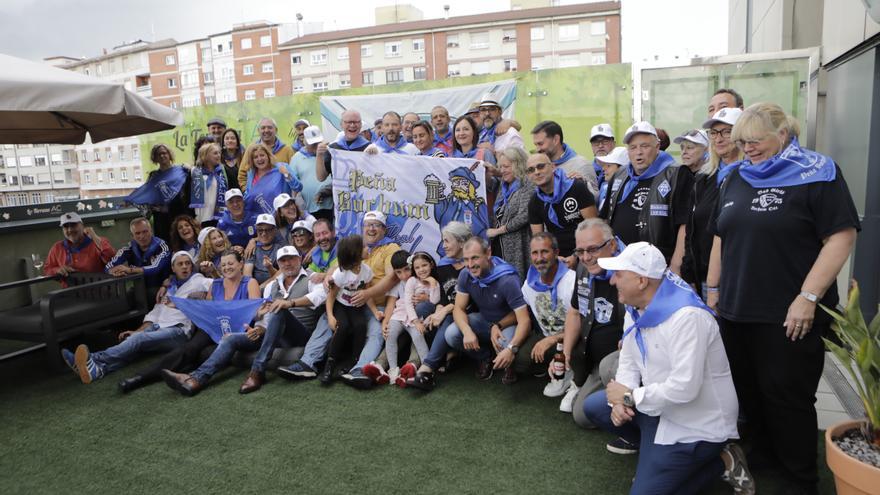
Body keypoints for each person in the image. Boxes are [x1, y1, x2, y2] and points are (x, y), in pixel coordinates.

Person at [707, 102, 860, 494]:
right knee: (748, 390)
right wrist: (712, 289)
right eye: (741, 142)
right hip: (737, 309)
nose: (747, 149)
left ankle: (800, 477)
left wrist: (808, 297)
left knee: (788, 396)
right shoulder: (735, 176)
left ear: (784, 135)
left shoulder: (818, 173)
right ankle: (765, 455)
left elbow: (840, 236)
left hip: (790, 311)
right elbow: (721, 236)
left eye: (755, 141)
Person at [583, 242, 754, 495]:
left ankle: (723, 460)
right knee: (594, 407)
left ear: (642, 281)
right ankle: (657, 460)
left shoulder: (688, 317)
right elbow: (629, 358)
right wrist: (621, 401)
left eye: (619, 275)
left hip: (697, 423)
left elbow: (685, 389)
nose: (612, 281)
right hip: (660, 406)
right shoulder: (636, 304)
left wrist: (630, 396)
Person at [62, 251, 212, 386]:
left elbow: (218, 285)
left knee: (138, 340)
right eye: (180, 264)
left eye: (188, 263)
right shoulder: (170, 286)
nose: (185, 267)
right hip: (158, 326)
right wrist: (137, 331)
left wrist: (207, 288)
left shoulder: (198, 280)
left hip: (179, 331)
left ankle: (94, 358)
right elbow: (155, 313)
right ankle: (99, 370)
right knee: (133, 345)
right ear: (173, 268)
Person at [406, 236, 531, 390]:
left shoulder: (507, 279)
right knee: (452, 334)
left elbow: (524, 319)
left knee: (507, 346)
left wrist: (510, 346)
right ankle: (485, 357)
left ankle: (509, 362)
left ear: (488, 253)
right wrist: (467, 331)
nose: (470, 265)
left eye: (475, 258)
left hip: (507, 324)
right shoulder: (466, 274)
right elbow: (458, 308)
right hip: (483, 320)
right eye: (466, 259)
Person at [160, 250, 263, 396]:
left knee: (228, 338)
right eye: (223, 265)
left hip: (245, 332)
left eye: (230, 263)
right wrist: (179, 304)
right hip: (219, 328)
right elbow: (207, 311)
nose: (226, 267)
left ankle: (195, 378)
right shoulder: (216, 284)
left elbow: (254, 310)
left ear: (241, 264)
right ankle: (152, 375)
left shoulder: (250, 282)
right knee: (192, 346)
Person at [600, 121, 693, 271]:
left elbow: (685, 224)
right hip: (620, 264)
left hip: (657, 267)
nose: (639, 152)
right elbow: (605, 219)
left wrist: (677, 265)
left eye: (645, 146)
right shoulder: (619, 175)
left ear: (657, 147)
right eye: (633, 147)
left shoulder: (676, 174)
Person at [560, 219, 625, 434]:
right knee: (582, 416)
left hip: (625, 361)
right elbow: (574, 311)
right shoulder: (583, 268)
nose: (586, 257)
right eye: (580, 251)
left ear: (613, 245)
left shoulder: (630, 271)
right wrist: (566, 351)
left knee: (610, 367)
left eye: (593, 249)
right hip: (596, 362)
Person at [238, 245, 327, 393]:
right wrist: (259, 325)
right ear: (278, 264)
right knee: (232, 339)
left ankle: (257, 370)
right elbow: (265, 319)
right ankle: (200, 375)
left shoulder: (312, 277)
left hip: (301, 335)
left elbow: (319, 297)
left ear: (299, 259)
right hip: (277, 335)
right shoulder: (272, 285)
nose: (287, 263)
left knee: (280, 310)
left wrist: (290, 303)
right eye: (283, 261)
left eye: (291, 259)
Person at [682, 108, 744, 293]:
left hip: (738, 277)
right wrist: (688, 271)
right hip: (703, 276)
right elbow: (692, 228)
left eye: (727, 132)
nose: (719, 138)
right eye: (714, 133)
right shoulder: (704, 177)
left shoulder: (752, 175)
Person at [337, 211, 401, 388]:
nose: (371, 229)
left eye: (376, 225)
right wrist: (326, 277)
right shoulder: (356, 247)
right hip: (351, 304)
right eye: (368, 225)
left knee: (377, 331)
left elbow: (393, 277)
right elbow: (337, 268)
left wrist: (368, 294)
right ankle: (308, 362)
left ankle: (359, 370)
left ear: (384, 229)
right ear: (362, 228)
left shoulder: (391, 248)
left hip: (377, 306)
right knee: (328, 320)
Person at [275, 219, 339, 379]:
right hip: (329, 298)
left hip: (345, 300)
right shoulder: (316, 253)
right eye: (318, 235)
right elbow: (310, 276)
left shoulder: (341, 247)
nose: (322, 238)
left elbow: (338, 269)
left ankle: (308, 363)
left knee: (328, 315)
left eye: (325, 233)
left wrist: (325, 275)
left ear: (334, 232)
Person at [515, 233, 576, 386]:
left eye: (545, 252)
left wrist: (553, 339)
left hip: (574, 339)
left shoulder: (572, 280)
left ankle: (575, 376)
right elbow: (518, 311)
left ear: (556, 253)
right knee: (521, 361)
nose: (539, 258)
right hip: (548, 335)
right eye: (535, 253)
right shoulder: (529, 285)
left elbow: (583, 324)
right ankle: (552, 365)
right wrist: (497, 325)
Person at [371, 251, 438, 385]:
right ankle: (392, 369)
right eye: (398, 272)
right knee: (390, 334)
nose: (404, 275)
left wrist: (429, 294)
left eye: (406, 270)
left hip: (416, 317)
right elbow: (391, 304)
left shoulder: (421, 281)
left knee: (418, 337)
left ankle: (425, 369)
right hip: (400, 316)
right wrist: (386, 321)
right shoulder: (399, 284)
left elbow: (436, 300)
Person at [322, 234, 382, 384]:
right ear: (355, 253)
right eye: (364, 247)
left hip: (356, 307)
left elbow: (367, 294)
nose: (367, 249)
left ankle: (354, 361)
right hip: (341, 306)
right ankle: (330, 364)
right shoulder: (341, 273)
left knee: (361, 326)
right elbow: (331, 296)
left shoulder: (366, 271)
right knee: (342, 326)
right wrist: (330, 316)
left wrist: (375, 312)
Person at [527, 153, 598, 264]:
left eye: (541, 166)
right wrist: (554, 258)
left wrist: (577, 256)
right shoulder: (534, 201)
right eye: (531, 170)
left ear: (553, 167)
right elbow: (538, 241)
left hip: (587, 254)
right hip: (558, 258)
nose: (536, 172)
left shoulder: (576, 187)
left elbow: (594, 227)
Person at [125, 144, 191, 242]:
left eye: (164, 153)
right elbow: (147, 194)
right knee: (165, 242)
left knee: (182, 240)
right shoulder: (153, 175)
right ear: (155, 158)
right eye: (158, 154)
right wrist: (131, 200)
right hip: (162, 217)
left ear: (169, 154)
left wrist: (190, 168)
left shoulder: (182, 170)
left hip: (180, 212)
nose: (162, 156)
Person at [486, 146, 533, 279]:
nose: (502, 171)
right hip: (500, 246)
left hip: (519, 245)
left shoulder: (528, 184)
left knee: (517, 281)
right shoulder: (505, 185)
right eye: (501, 167)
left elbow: (524, 216)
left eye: (506, 166)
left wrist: (498, 231)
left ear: (518, 164)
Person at [106, 217, 172, 304]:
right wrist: (114, 272)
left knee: (149, 297)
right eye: (137, 233)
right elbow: (108, 267)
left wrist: (129, 270)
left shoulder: (162, 246)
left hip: (162, 287)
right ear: (132, 236)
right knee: (121, 303)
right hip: (139, 288)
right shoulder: (128, 248)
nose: (142, 236)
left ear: (151, 231)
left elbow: (155, 268)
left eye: (145, 231)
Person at [531, 120, 599, 197]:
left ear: (556, 140)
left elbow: (596, 198)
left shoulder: (581, 165)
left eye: (540, 144)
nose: (537, 149)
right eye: (536, 145)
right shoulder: (535, 168)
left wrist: (583, 184)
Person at [45, 212, 115, 283]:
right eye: (66, 226)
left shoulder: (98, 242)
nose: (70, 230)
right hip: (71, 292)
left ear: (82, 225)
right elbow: (48, 269)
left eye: (73, 225)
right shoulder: (57, 248)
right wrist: (57, 270)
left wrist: (94, 236)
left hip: (99, 290)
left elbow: (113, 260)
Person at [240, 142, 303, 218]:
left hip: (282, 217)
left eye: (262, 155)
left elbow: (298, 187)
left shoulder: (281, 167)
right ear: (252, 160)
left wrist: (286, 174)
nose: (259, 159)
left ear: (268, 156)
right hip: (262, 220)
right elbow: (249, 194)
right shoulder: (251, 173)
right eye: (255, 157)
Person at [291, 125, 334, 220]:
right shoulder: (297, 158)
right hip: (309, 209)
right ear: (304, 141)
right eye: (312, 143)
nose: (316, 145)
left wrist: (325, 192)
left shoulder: (330, 153)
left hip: (331, 206)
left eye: (317, 142)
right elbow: (293, 185)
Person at [237, 117, 294, 187]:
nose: (266, 130)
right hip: (257, 197)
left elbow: (293, 175)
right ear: (258, 131)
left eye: (270, 127)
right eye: (263, 128)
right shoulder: (251, 149)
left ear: (276, 130)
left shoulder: (287, 150)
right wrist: (249, 193)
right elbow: (242, 174)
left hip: (281, 196)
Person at [315, 109, 370, 182]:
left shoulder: (370, 148)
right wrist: (319, 155)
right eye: (349, 122)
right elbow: (321, 177)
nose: (352, 125)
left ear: (361, 125)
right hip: (340, 192)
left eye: (356, 122)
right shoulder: (333, 148)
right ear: (341, 125)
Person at [190, 142, 227, 227]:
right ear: (205, 156)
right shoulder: (194, 172)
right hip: (202, 218)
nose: (218, 155)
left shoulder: (223, 172)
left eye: (219, 153)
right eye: (215, 153)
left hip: (220, 216)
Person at [244, 213, 283, 287]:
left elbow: (282, 272)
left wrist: (262, 287)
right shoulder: (252, 248)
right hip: (254, 288)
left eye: (268, 230)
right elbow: (247, 275)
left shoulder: (280, 248)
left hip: (276, 286)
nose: (264, 233)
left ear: (274, 230)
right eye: (260, 230)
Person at [595, 147, 629, 211]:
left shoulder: (628, 192)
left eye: (608, 165)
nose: (603, 169)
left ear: (622, 168)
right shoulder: (605, 186)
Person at [589, 123, 616, 190]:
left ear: (614, 144)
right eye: (596, 142)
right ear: (592, 146)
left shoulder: (621, 170)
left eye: (605, 141)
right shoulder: (586, 171)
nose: (600, 146)